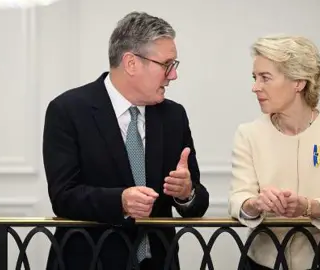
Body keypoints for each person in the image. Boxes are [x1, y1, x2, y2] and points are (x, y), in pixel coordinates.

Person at [42, 11, 209, 270]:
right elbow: (63, 196)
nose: (172, 75)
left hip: (158, 263)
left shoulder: (174, 116)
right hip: (90, 261)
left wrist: (186, 194)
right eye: (167, 65)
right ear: (131, 63)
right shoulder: (68, 110)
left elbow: (197, 203)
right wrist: (120, 201)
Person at [227, 34, 320, 270]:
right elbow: (238, 198)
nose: (255, 87)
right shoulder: (247, 133)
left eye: (265, 78)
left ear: (298, 82)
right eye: (254, 77)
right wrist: (255, 203)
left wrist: (308, 207)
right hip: (262, 263)